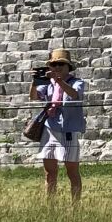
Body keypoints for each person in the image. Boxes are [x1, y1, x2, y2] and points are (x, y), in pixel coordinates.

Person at [33, 47, 86, 203]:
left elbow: (74, 94)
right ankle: (50, 205)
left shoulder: (77, 82)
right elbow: (34, 96)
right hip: (50, 129)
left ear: (67, 67)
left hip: (68, 129)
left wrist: (59, 81)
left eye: (60, 65)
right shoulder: (48, 84)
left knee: (72, 172)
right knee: (49, 172)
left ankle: (75, 206)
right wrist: (35, 81)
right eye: (53, 65)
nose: (56, 68)